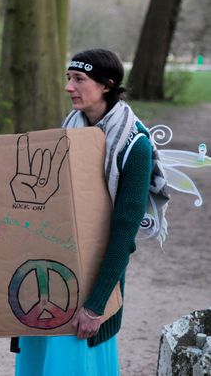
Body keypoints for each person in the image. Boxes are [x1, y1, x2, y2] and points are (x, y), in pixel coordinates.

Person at [14, 48, 168, 375]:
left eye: (79, 79)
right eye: (69, 78)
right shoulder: (67, 133)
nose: (69, 87)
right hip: (50, 272)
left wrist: (96, 304)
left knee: (72, 363)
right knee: (37, 362)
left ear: (107, 85)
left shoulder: (134, 147)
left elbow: (124, 234)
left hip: (92, 281)